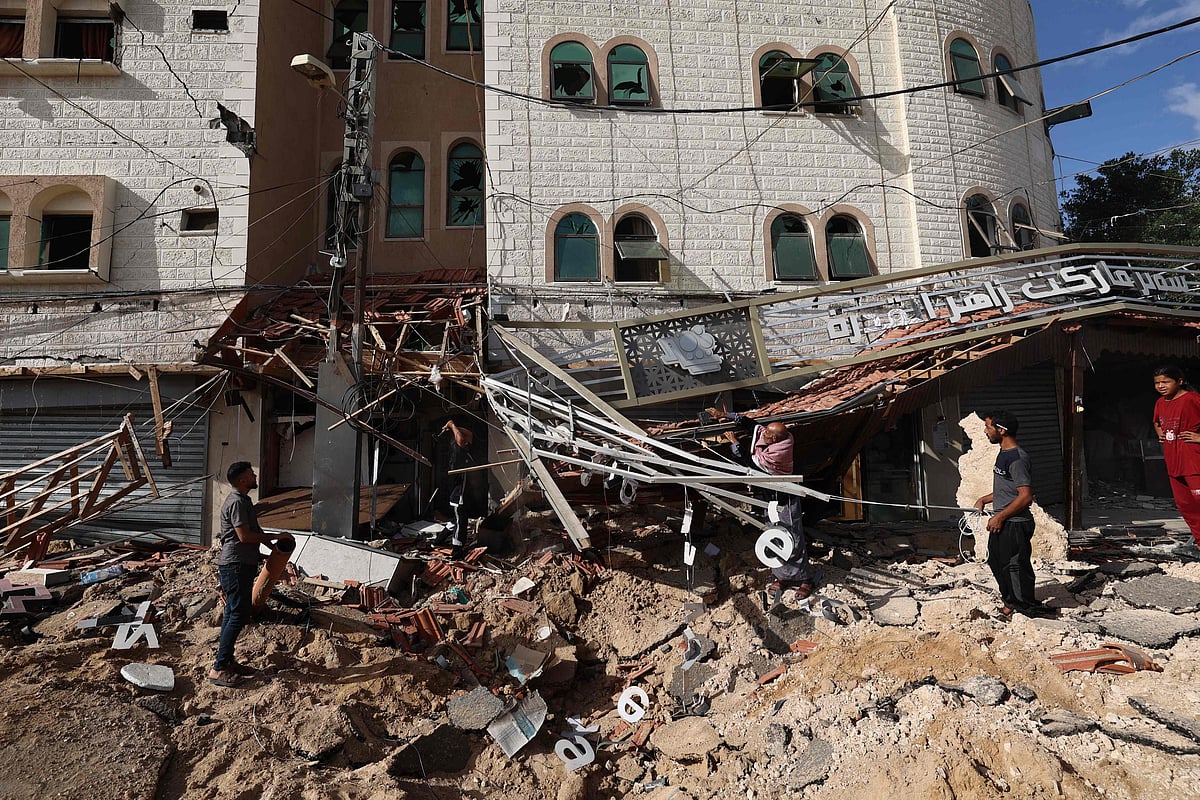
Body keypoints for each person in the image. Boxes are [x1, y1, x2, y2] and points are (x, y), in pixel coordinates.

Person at [706, 406, 812, 598]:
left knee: (792, 536)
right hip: (769, 495)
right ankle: (782, 576)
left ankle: (803, 578)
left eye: (769, 436)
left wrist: (734, 442)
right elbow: (753, 425)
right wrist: (725, 415)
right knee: (773, 534)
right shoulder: (774, 436)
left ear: (777, 439)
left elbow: (750, 461)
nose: (765, 437)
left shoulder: (779, 452)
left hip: (784, 497)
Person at [209, 462, 291, 687]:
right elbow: (244, 536)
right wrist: (273, 537)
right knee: (237, 614)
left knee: (233, 613)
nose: (255, 476)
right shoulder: (236, 502)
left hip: (240, 563)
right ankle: (219, 668)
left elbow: (248, 537)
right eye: (251, 474)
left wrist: (266, 554)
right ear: (243, 480)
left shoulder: (244, 501)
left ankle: (227, 662)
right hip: (234, 565)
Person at [974, 411, 1046, 617]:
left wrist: (999, 517)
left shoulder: (1017, 458)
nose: (985, 431)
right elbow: (1006, 489)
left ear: (1001, 430)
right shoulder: (1003, 453)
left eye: (989, 427)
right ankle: (1010, 602)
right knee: (997, 562)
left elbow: (1025, 496)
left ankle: (1025, 608)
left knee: (1015, 566)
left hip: (1014, 522)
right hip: (1004, 521)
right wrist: (984, 499)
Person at [1152, 365, 1200, 547]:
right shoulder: (1160, 403)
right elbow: (1156, 421)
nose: (1161, 386)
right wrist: (1159, 433)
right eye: (1157, 383)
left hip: (1194, 461)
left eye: (1166, 381)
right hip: (1173, 462)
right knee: (1186, 505)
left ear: (1179, 382)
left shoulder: (1192, 399)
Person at [438, 419, 476, 557]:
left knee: (455, 521)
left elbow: (469, 435)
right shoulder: (457, 453)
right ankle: (457, 550)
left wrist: (453, 427)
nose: (467, 441)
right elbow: (460, 438)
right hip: (458, 494)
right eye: (464, 440)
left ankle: (438, 541)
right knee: (461, 522)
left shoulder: (466, 450)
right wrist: (452, 424)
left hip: (463, 494)